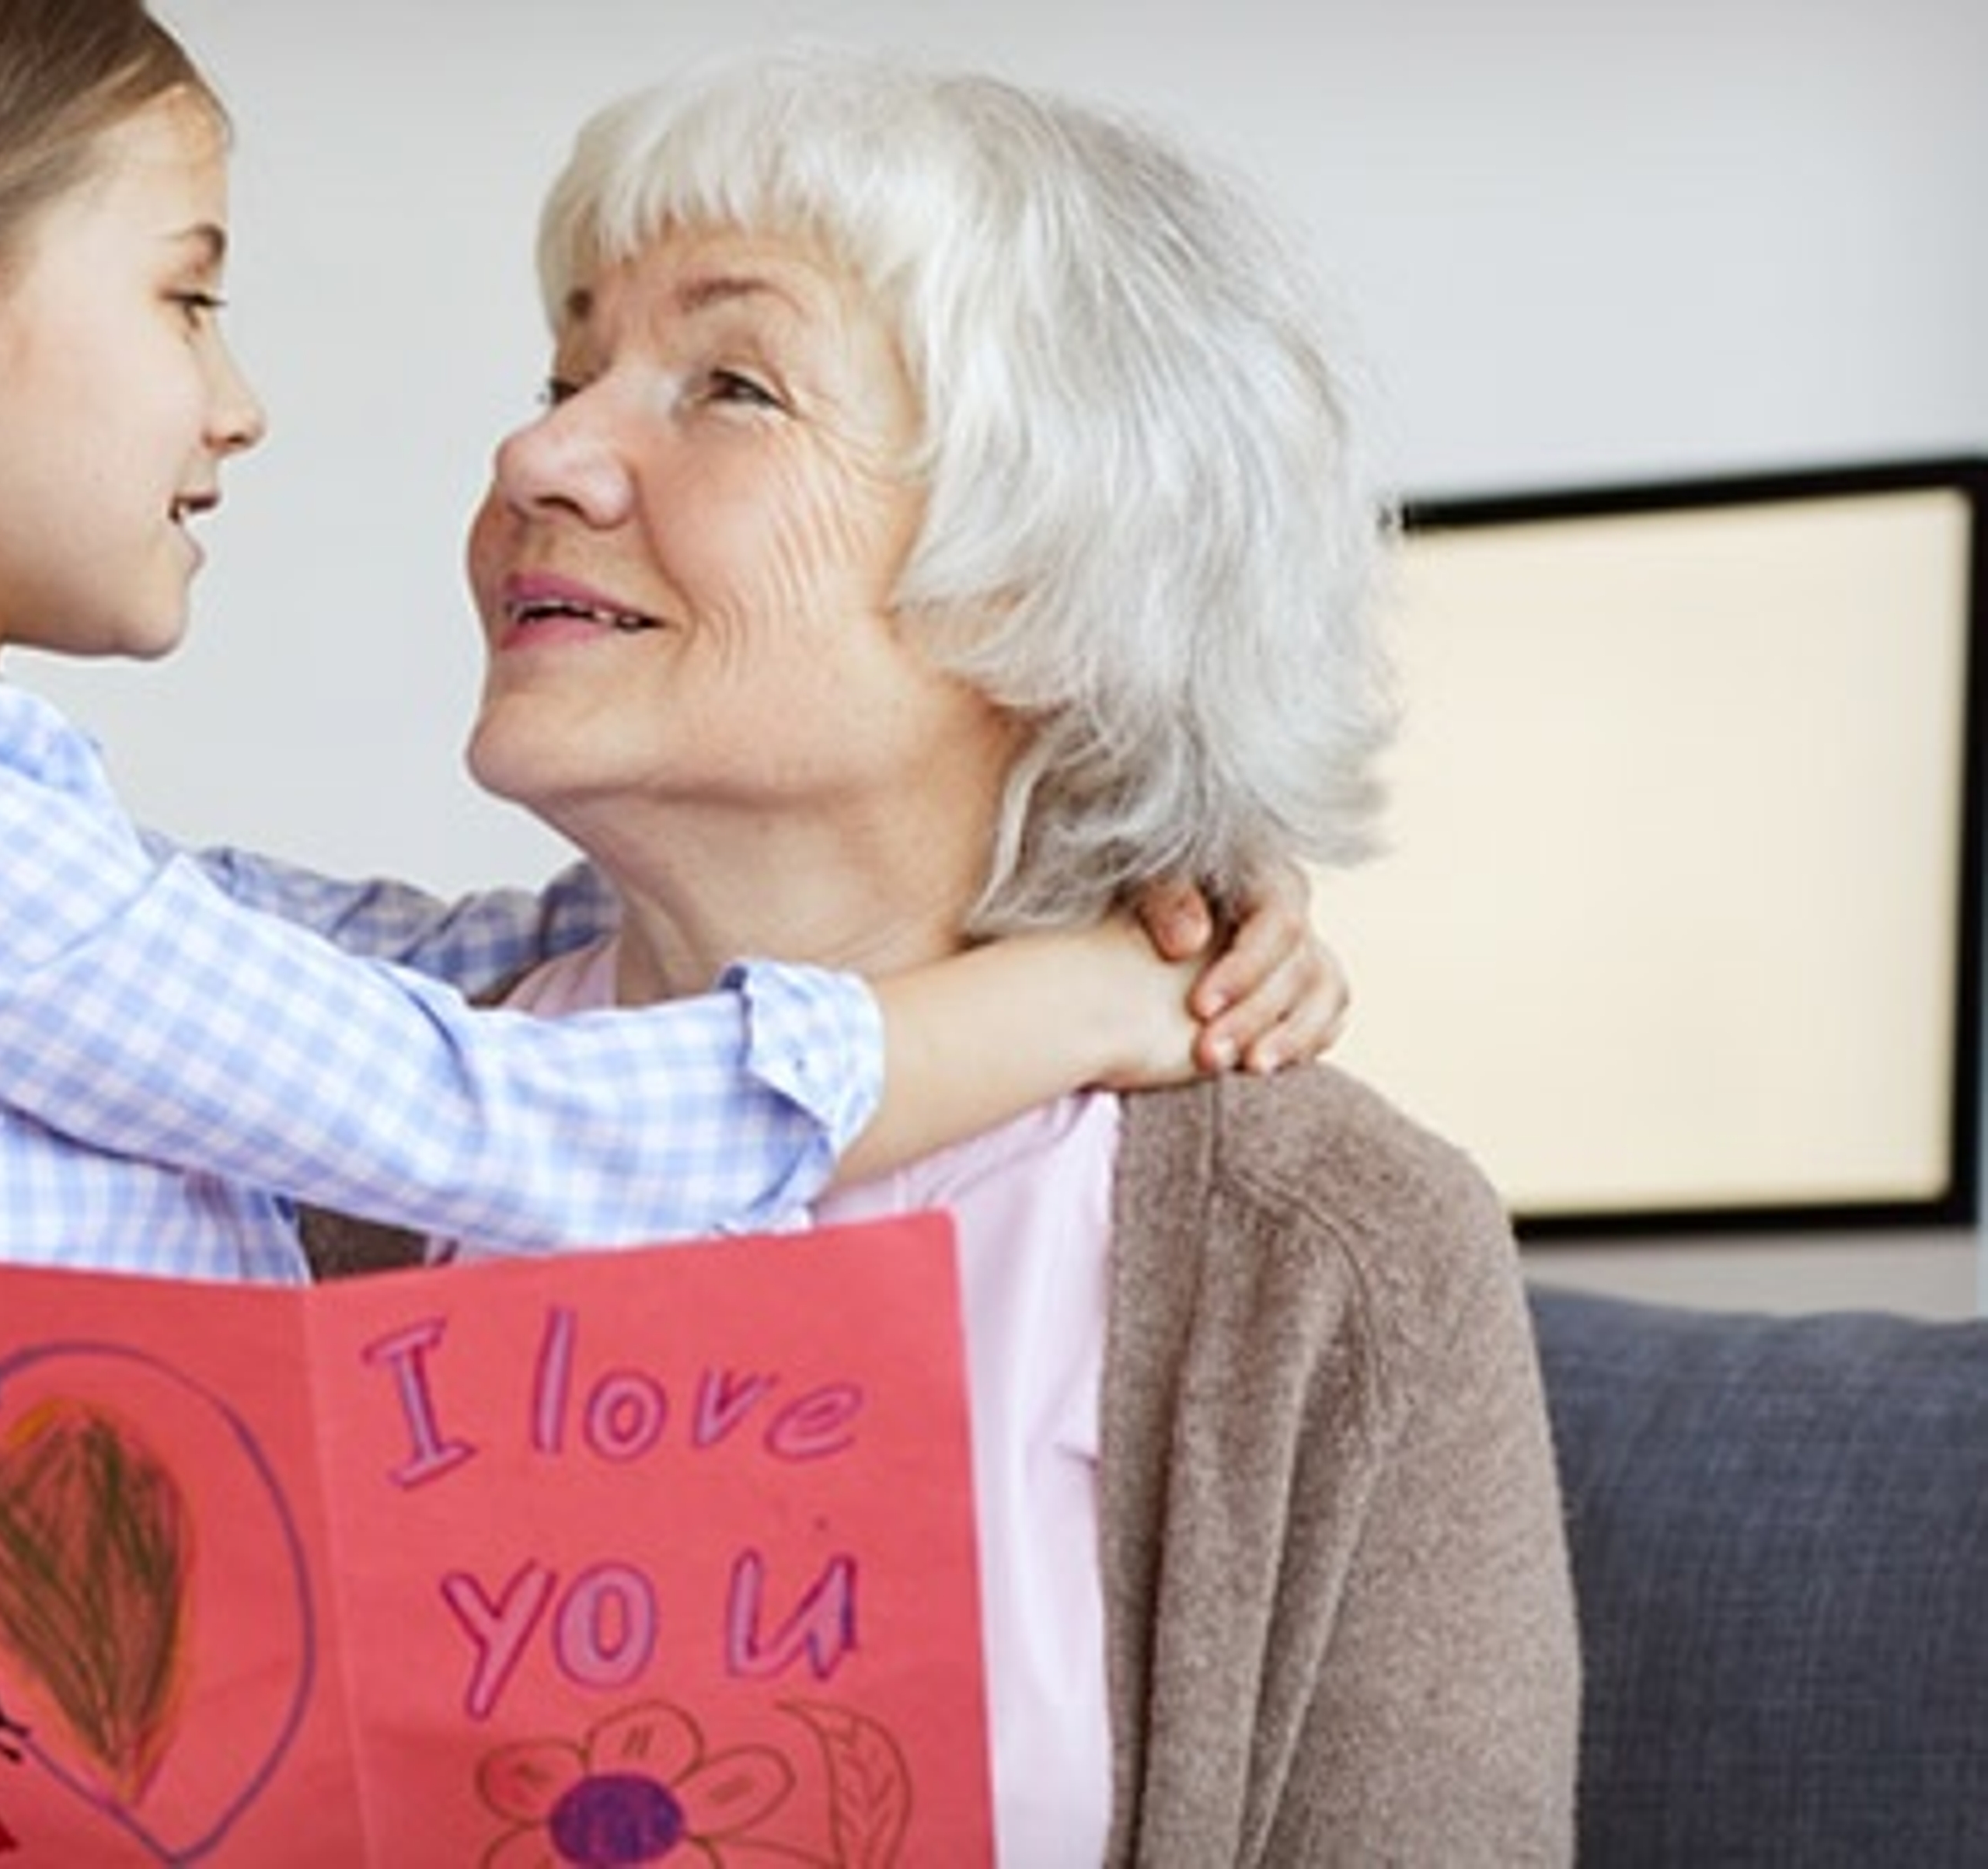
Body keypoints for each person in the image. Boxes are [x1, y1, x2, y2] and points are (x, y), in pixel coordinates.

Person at [0, 2, 1354, 1857]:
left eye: (728, 385)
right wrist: (1084, 996)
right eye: (188, 297)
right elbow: (505, 1119)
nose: (238, 406)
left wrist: (1056, 890)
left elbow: (377, 958)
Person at [368, 44, 1581, 1864]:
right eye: (563, 373)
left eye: (731, 385)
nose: (538, 452)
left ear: (1041, 574)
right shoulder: (305, 1111)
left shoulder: (1326, 1251)